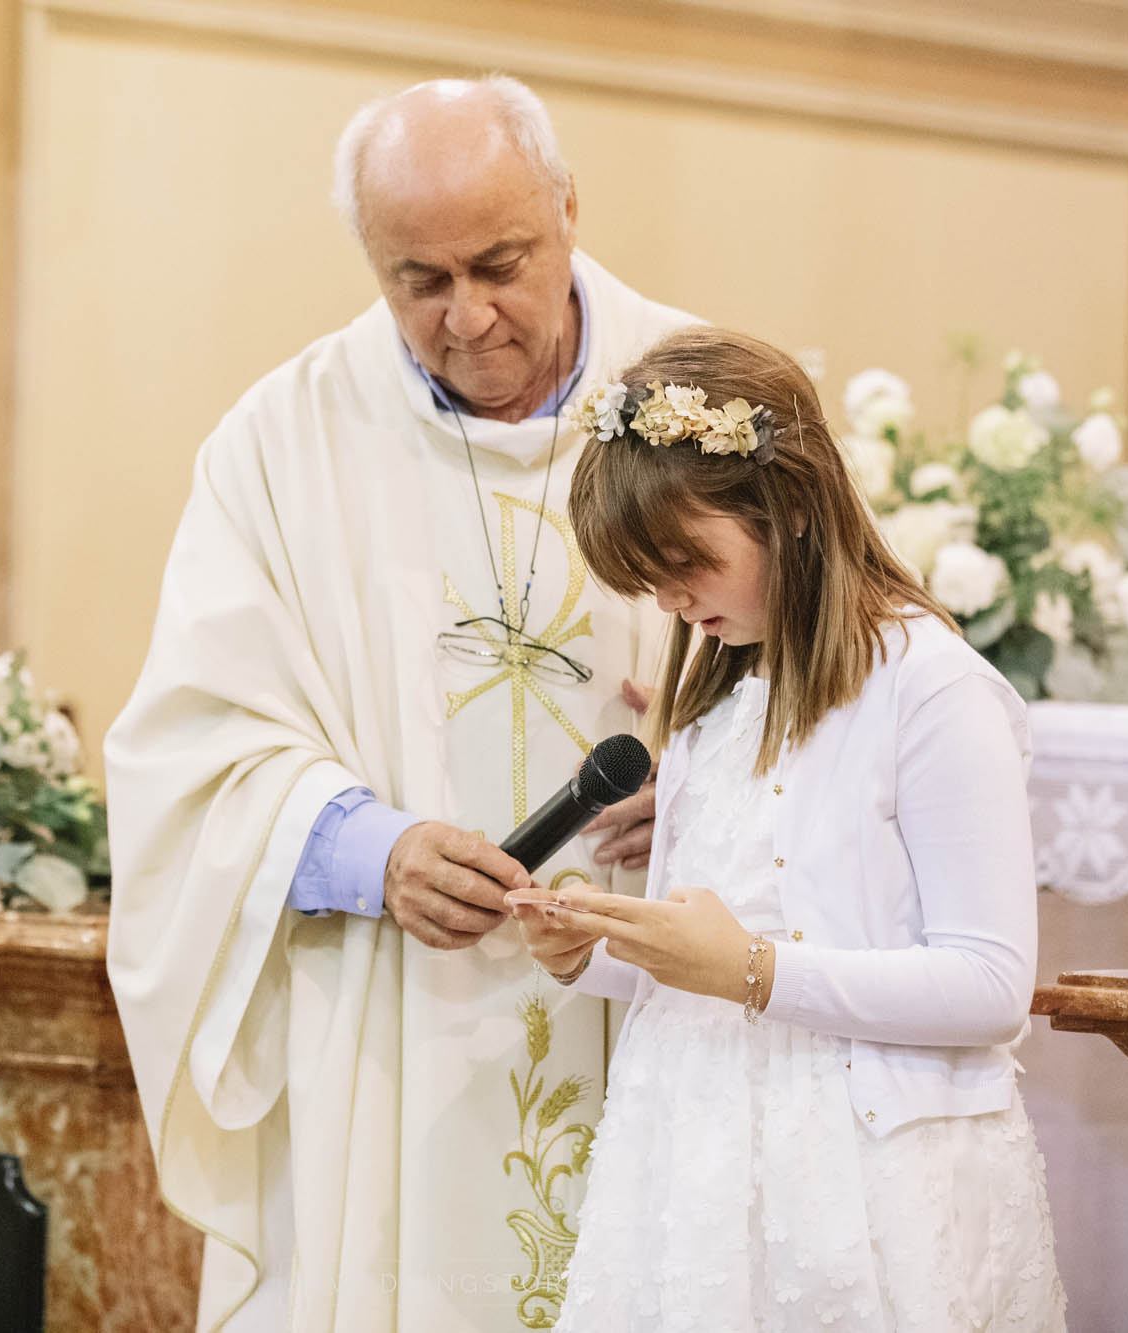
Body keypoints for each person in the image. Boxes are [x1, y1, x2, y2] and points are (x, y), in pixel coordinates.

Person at [103, 76, 694, 1331]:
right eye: (416, 280)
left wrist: (706, 781)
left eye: (498, 262)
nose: (466, 316)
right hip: (391, 1030)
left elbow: (842, 673)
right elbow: (186, 748)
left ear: (569, 211)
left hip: (660, 1005)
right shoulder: (278, 443)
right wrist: (366, 850)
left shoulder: (702, 405)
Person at [512, 326, 1067, 1330]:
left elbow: (989, 986)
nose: (674, 602)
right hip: (700, 1167)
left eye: (688, 562)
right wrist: (588, 948)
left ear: (793, 509)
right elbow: (706, 965)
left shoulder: (929, 689)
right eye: (650, 582)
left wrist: (754, 971)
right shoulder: (721, 702)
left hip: (862, 1177)